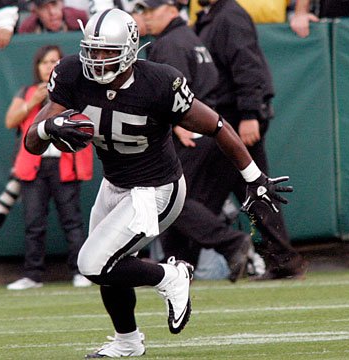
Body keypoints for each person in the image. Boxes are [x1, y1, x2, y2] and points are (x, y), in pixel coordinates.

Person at [24, 8, 292, 357]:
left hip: (157, 189)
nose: (97, 59)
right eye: (92, 49)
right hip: (115, 185)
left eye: (107, 51)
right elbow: (32, 141)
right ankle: (127, 342)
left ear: (131, 51)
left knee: (92, 262)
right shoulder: (72, 72)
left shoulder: (159, 82)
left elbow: (217, 125)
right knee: (109, 268)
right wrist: (47, 128)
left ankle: (171, 275)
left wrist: (253, 177)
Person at [135, 0, 254, 282]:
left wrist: (176, 124)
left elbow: (174, 92)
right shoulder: (190, 38)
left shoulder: (169, 44)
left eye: (153, 10)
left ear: (173, 10)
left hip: (191, 132)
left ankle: (230, 242)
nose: (147, 17)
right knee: (191, 203)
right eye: (145, 12)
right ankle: (180, 265)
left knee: (167, 199)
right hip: (212, 130)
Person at [194, 0, 307, 281]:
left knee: (201, 196)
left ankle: (184, 261)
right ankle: (283, 260)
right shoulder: (211, 17)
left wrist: (249, 113)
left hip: (235, 119)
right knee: (254, 192)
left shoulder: (229, 16)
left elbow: (247, 66)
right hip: (226, 118)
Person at [5, 45, 94, 290]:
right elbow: (10, 121)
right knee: (34, 222)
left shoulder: (73, 91)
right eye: (44, 62)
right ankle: (32, 275)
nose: (48, 66)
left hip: (65, 164)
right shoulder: (27, 91)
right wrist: (31, 102)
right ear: (37, 67)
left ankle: (80, 271)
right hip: (34, 165)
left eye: (54, 61)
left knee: (72, 221)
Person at [18, 0, 88, 33]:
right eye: (44, 8)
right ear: (35, 11)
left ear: (62, 4)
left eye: (54, 4)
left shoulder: (80, 19)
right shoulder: (28, 29)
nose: (52, 12)